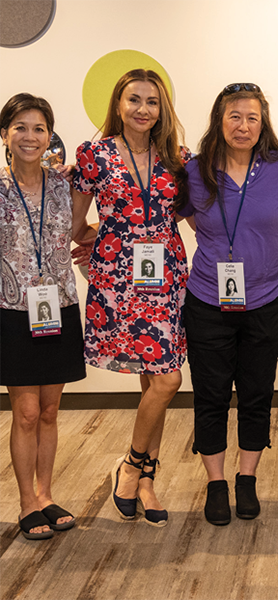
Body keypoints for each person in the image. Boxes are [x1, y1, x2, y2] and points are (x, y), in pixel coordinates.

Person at [175, 82, 278, 526]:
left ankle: (246, 479)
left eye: (252, 117)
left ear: (262, 121)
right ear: (219, 120)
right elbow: (166, 215)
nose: (243, 126)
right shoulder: (194, 170)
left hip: (265, 298)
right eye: (234, 116)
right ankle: (216, 482)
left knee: (256, 393)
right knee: (210, 395)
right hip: (208, 298)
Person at [72, 69, 189, 527]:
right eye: (134, 99)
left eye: (152, 101)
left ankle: (135, 467)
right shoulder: (93, 155)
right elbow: (77, 225)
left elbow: (186, 214)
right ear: (118, 105)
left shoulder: (177, 158)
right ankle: (144, 478)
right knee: (157, 380)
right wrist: (110, 236)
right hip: (120, 279)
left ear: (162, 109)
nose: (143, 109)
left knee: (163, 380)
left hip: (165, 278)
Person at [0, 93, 89, 539]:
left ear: (50, 136)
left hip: (59, 307)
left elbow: (78, 230)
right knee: (27, 412)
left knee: (51, 410)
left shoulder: (65, 185)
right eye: (20, 127)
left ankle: (46, 495)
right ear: (5, 136)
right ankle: (24, 503)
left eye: (39, 129)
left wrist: (99, 244)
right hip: (13, 313)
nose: (30, 136)